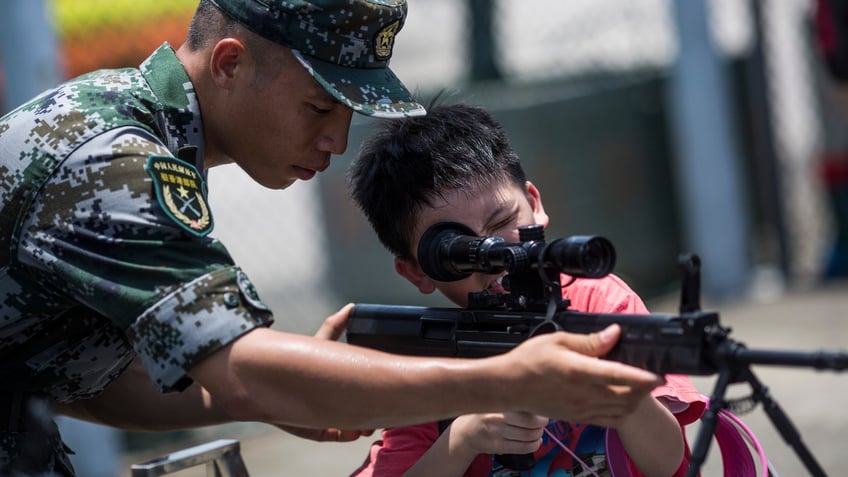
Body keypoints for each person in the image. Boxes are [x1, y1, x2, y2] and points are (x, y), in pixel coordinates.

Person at [0, 1, 666, 475]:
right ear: (230, 63)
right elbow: (242, 371)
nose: (337, 141)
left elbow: (74, 381)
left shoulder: (141, 134)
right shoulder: (117, 163)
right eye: (319, 107)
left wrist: (287, 398)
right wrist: (498, 381)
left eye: (347, 114)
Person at [346, 103, 707, 477]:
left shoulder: (596, 303)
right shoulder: (429, 356)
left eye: (503, 220)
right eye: (454, 248)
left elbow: (669, 463)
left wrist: (621, 396)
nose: (493, 255)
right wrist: (463, 439)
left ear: (534, 204)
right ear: (416, 272)